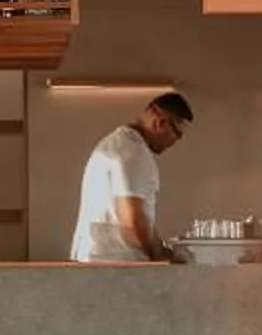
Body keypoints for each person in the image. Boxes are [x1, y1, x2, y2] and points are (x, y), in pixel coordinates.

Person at [69, 91, 192, 263]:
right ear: (160, 123)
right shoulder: (134, 152)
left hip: (94, 261)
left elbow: (140, 220)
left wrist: (162, 248)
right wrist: (162, 259)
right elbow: (133, 224)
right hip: (116, 266)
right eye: (177, 134)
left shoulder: (114, 143)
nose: (176, 141)